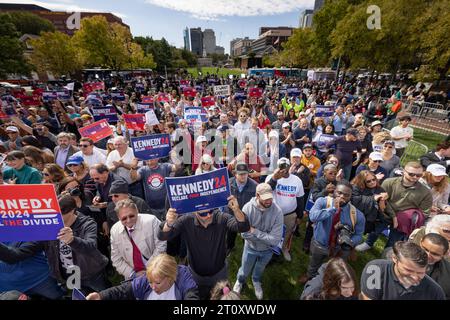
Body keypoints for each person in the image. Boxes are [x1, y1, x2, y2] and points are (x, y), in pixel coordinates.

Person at [158, 196, 250, 300]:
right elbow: (163, 236)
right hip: (196, 275)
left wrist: (236, 210)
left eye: (210, 211)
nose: (208, 216)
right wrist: (169, 223)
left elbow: (244, 227)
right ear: (195, 211)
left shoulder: (221, 217)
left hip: (219, 274)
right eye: (203, 213)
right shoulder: (187, 219)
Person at [40, 195, 109, 293]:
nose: (57, 217)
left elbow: (91, 246)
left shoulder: (87, 224)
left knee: (102, 295)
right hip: (69, 272)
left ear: (72, 210)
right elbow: (39, 245)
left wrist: (72, 240)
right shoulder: (51, 225)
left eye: (61, 213)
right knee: (79, 295)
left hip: (91, 272)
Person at [300, 181, 365, 283]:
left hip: (340, 249)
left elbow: (359, 235)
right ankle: (310, 276)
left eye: (346, 195)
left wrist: (349, 241)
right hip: (319, 244)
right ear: (334, 191)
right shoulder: (322, 202)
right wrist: (333, 209)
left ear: (350, 196)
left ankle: (327, 282)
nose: (342, 196)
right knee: (314, 262)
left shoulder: (357, 215)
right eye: (339, 193)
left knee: (335, 268)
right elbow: (312, 217)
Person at [233, 183, 283, 300]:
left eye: (270, 197)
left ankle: (256, 281)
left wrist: (255, 231)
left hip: (268, 250)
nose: (269, 201)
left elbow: (275, 240)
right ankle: (240, 281)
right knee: (244, 269)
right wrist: (267, 237)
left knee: (260, 268)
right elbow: (244, 234)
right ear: (257, 195)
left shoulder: (278, 212)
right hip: (250, 248)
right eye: (265, 198)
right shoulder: (247, 208)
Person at [86, 253, 199, 300]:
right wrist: (100, 296)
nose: (153, 287)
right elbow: (122, 290)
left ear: (170, 277)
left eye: (158, 283)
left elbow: (192, 296)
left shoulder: (182, 277)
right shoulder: (149, 279)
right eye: (150, 282)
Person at [360, 241, 445, 300]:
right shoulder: (376, 269)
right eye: (408, 270)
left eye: (420, 273)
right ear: (394, 259)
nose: (415, 277)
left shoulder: (435, 292)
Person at [110, 199, 166, 280]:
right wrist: (132, 274)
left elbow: (161, 245)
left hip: (156, 268)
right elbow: (116, 259)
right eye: (124, 218)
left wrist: (149, 269)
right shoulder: (114, 230)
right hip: (133, 276)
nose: (128, 220)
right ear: (119, 218)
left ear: (137, 211)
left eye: (131, 216)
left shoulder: (151, 221)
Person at [381, 162, 433, 248]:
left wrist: (408, 218)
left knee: (394, 243)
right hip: (385, 212)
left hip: (404, 220)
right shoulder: (389, 182)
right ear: (404, 171)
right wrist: (394, 216)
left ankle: (388, 255)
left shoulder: (425, 192)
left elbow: (425, 212)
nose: (415, 177)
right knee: (374, 230)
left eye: (418, 175)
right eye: (411, 174)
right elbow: (381, 200)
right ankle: (369, 243)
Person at [266, 158, 305, 261]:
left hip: (290, 214)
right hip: (273, 213)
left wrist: (300, 216)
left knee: (287, 232)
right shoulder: (271, 177)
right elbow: (265, 191)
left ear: (289, 166)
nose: (283, 169)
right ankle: (269, 250)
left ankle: (283, 248)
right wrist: (274, 178)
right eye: (280, 166)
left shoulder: (296, 180)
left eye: (285, 166)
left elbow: (300, 199)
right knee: (271, 232)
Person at [0, 242, 65, 300]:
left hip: (40, 281)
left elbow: (14, 256)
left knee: (58, 296)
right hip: (8, 289)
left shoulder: (32, 233)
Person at [351, 170, 389, 251]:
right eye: (368, 181)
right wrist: (373, 198)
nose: (372, 182)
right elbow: (355, 201)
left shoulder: (379, 189)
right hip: (357, 216)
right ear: (362, 182)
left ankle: (366, 244)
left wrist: (383, 200)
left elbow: (383, 208)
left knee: (385, 220)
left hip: (371, 217)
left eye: (374, 179)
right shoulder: (356, 188)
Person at [227, 163, 257, 254]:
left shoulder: (255, 186)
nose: (243, 176)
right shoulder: (228, 183)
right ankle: (229, 247)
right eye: (240, 174)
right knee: (230, 233)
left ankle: (247, 249)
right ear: (235, 174)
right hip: (231, 214)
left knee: (247, 235)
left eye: (245, 173)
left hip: (246, 217)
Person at [419, 233, 450, 299]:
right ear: (420, 243)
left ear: (444, 254)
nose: (427, 255)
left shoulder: (448, 272)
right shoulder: (400, 260)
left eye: (434, 254)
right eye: (425, 249)